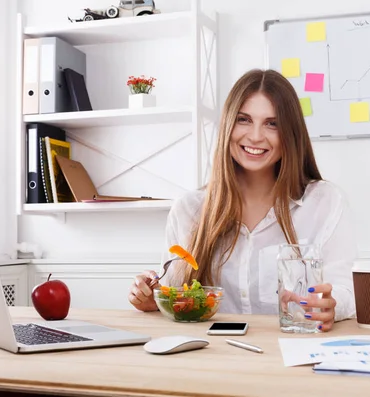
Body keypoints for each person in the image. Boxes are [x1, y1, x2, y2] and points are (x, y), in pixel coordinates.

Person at [128, 69, 357, 331]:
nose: (256, 136)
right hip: (213, 355)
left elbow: (346, 290)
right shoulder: (189, 209)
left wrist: (331, 304)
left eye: (272, 123)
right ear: (228, 125)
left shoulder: (324, 202)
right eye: (244, 120)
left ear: (290, 134)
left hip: (294, 350)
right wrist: (152, 298)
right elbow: (174, 294)